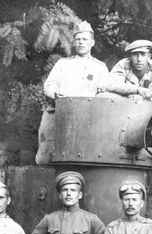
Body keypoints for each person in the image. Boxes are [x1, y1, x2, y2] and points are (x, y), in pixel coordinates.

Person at [37, 21, 109, 165]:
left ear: (92, 43)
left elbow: (106, 93)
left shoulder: (101, 68)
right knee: (50, 157)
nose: (81, 42)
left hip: (88, 117)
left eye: (85, 39)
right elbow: (48, 86)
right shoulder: (63, 64)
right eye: (78, 39)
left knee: (86, 155)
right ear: (74, 42)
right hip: (62, 115)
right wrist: (55, 93)